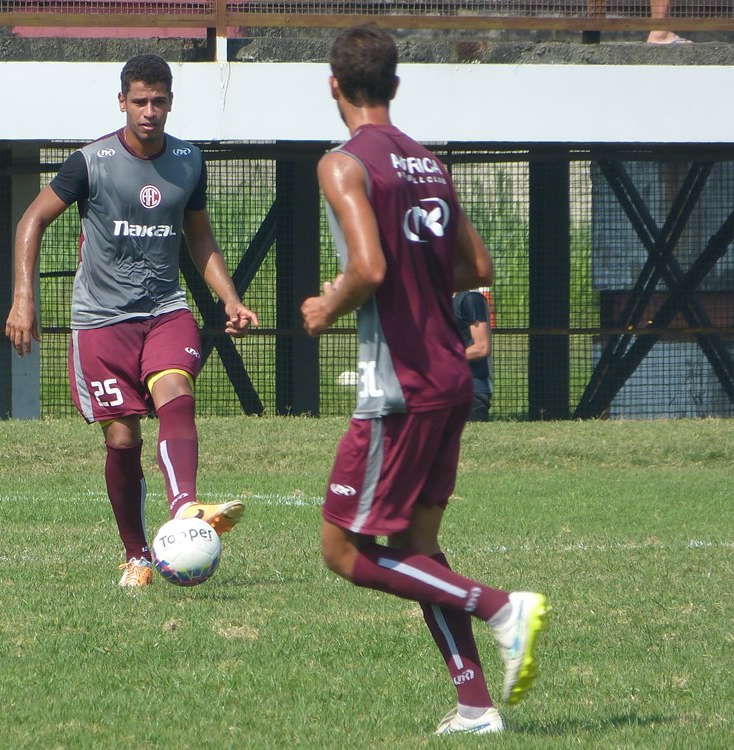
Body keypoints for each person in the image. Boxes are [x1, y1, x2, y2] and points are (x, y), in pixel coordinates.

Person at [300, 25, 548, 735]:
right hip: (451, 377)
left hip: (400, 385)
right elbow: (477, 267)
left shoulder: (344, 163)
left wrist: (327, 301)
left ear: (333, 86)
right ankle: (474, 705)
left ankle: (501, 605)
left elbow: (370, 267)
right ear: (396, 86)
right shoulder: (427, 163)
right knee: (414, 550)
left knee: (343, 552)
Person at [5, 54, 258, 588]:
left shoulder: (189, 161)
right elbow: (32, 219)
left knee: (175, 391)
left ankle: (186, 507)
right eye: (140, 101)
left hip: (165, 308)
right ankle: (137, 555)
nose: (150, 111)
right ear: (122, 102)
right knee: (122, 439)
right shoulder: (90, 162)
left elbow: (200, 237)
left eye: (159, 101)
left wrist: (231, 299)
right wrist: (23, 299)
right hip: (101, 321)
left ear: (170, 103)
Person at [453, 289, 493, 422]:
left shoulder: (471, 298)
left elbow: (482, 348)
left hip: (472, 392)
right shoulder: (438, 299)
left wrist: (445, 360)